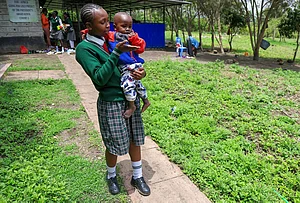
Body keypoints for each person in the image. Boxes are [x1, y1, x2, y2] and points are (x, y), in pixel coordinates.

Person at [75, 3, 151, 196]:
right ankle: (111, 176)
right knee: (114, 144)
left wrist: (139, 73)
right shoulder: (85, 48)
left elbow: (129, 61)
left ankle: (138, 175)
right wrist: (116, 52)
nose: (108, 25)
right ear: (88, 25)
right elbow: (100, 78)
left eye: (108, 20)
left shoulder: (110, 39)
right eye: (103, 22)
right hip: (111, 102)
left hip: (128, 96)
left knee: (135, 139)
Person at [107, 12, 150, 119]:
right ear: (115, 26)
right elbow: (99, 34)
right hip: (125, 66)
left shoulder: (133, 36)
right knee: (137, 84)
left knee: (127, 84)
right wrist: (87, 32)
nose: (127, 29)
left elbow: (141, 49)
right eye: (124, 26)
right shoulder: (111, 36)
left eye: (130, 26)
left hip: (131, 65)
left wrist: (134, 39)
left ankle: (132, 106)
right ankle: (146, 101)